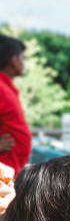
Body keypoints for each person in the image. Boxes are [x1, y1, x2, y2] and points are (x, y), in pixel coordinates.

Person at [0, 35, 31, 176]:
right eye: (22, 58)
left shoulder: (6, 86)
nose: (24, 63)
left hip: (10, 176)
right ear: (13, 60)